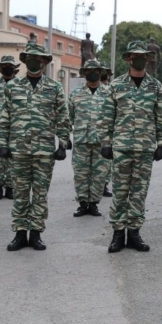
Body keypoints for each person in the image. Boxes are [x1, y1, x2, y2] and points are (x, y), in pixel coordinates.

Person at [0, 43, 70, 252]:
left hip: (44, 151)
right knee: (20, 192)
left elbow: (62, 118)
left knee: (40, 193)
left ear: (45, 62)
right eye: (30, 58)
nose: (34, 61)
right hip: (18, 149)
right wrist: (2, 143)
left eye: (38, 58)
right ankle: (20, 233)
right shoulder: (12, 87)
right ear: (24, 60)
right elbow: (5, 117)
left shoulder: (54, 87)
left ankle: (36, 233)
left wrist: (62, 143)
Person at [102, 41, 162, 253]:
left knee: (139, 193)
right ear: (129, 59)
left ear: (147, 59)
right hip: (121, 148)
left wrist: (161, 143)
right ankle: (117, 234)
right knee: (120, 192)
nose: (139, 59)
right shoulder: (116, 85)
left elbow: (161, 117)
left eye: (143, 56)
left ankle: (134, 233)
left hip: (145, 148)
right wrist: (106, 142)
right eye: (135, 56)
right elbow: (107, 117)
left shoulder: (155, 86)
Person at [69, 60, 111, 217]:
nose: (92, 73)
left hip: (102, 141)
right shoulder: (76, 94)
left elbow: (115, 117)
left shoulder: (109, 93)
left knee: (99, 174)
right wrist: (65, 138)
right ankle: (82, 204)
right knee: (81, 173)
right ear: (84, 73)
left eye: (96, 70)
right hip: (81, 140)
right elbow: (69, 117)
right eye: (89, 71)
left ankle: (93, 204)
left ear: (100, 73)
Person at [0, 56, 19, 200]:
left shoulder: (20, 84)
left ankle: (10, 187)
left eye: (10, 65)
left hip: (15, 127)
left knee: (13, 159)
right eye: (4, 65)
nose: (7, 67)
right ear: (0, 68)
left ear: (14, 68)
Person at [99, 61, 114, 198]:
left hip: (106, 132)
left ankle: (104, 184)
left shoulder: (110, 90)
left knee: (106, 163)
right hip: (91, 132)